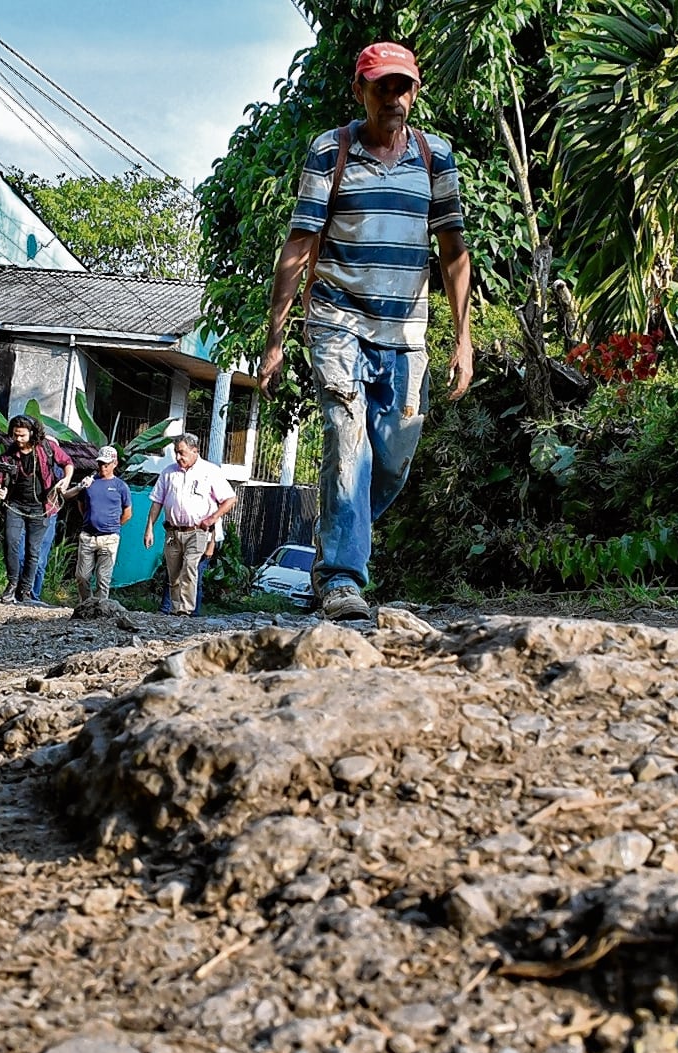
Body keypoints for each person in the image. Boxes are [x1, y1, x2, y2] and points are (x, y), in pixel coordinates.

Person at [259, 41, 473, 623]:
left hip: (405, 331)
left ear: (415, 93)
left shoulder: (435, 157)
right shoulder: (330, 150)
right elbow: (299, 246)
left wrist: (463, 338)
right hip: (337, 321)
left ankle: (337, 539)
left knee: (393, 459)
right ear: (360, 91)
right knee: (346, 439)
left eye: (402, 86)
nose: (393, 97)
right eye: (382, 87)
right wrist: (276, 338)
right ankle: (340, 578)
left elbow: (453, 252)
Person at [144, 433, 237, 616]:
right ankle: (175, 610)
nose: (178, 457)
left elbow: (230, 498)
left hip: (197, 531)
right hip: (173, 532)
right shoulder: (168, 472)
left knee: (190, 568)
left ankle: (185, 610)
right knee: (173, 574)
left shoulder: (210, 471)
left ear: (195, 451)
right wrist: (149, 529)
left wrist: (212, 518)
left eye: (182, 453)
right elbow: (157, 502)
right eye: (176, 453)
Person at [0, 415, 72, 605]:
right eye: (15, 435)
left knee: (33, 550)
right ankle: (12, 584)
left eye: (22, 435)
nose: (18, 439)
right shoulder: (9, 454)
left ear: (32, 433)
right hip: (15, 505)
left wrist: (66, 480)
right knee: (10, 542)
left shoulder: (47, 448)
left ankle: (26, 590)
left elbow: (68, 463)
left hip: (41, 507)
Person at [62, 445, 133, 602]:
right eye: (100, 463)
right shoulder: (89, 483)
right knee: (82, 576)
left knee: (103, 577)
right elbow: (81, 505)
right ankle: (86, 604)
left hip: (109, 537)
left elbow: (127, 513)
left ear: (114, 463)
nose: (103, 467)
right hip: (88, 535)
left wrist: (113, 527)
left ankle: (101, 607)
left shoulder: (121, 486)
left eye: (106, 464)